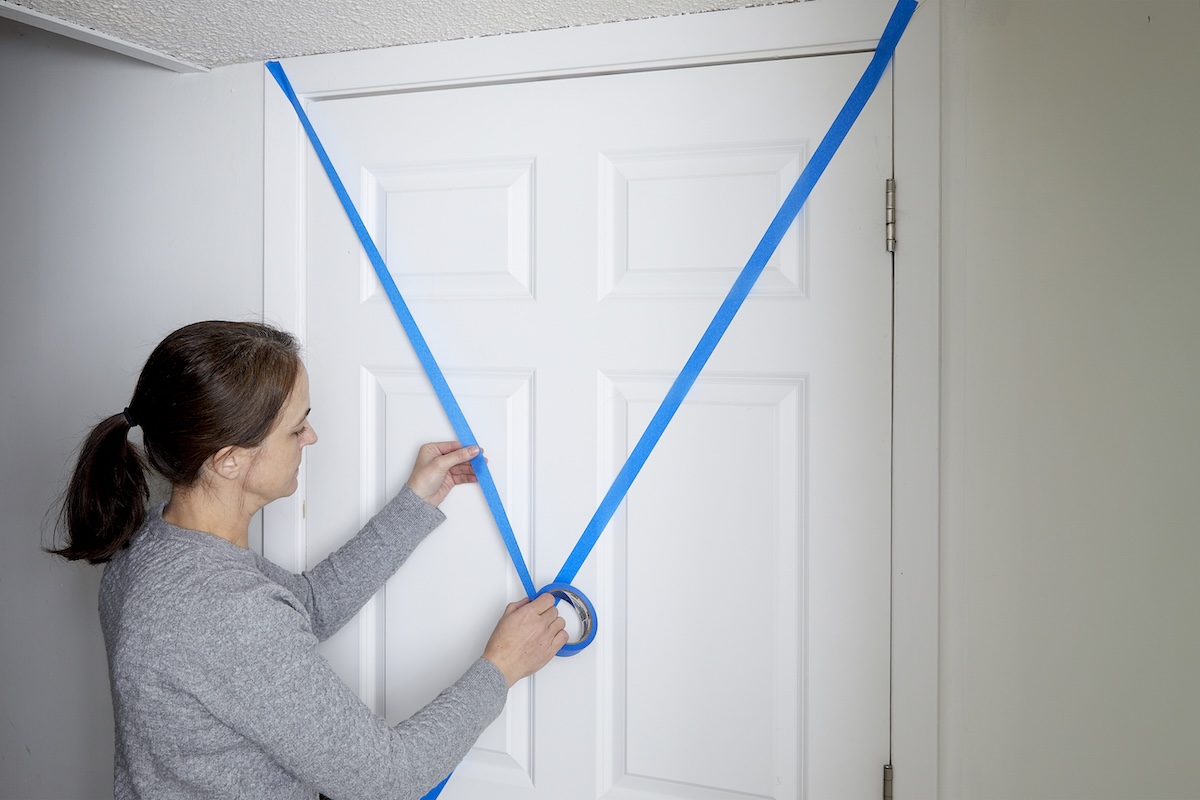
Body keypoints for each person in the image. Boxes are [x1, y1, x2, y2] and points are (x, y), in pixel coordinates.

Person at [49, 320, 568, 799]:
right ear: (229, 459)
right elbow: (389, 778)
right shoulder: (226, 610)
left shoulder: (154, 546)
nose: (311, 438)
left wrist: (416, 503)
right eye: (297, 428)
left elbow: (304, 607)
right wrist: (502, 666)